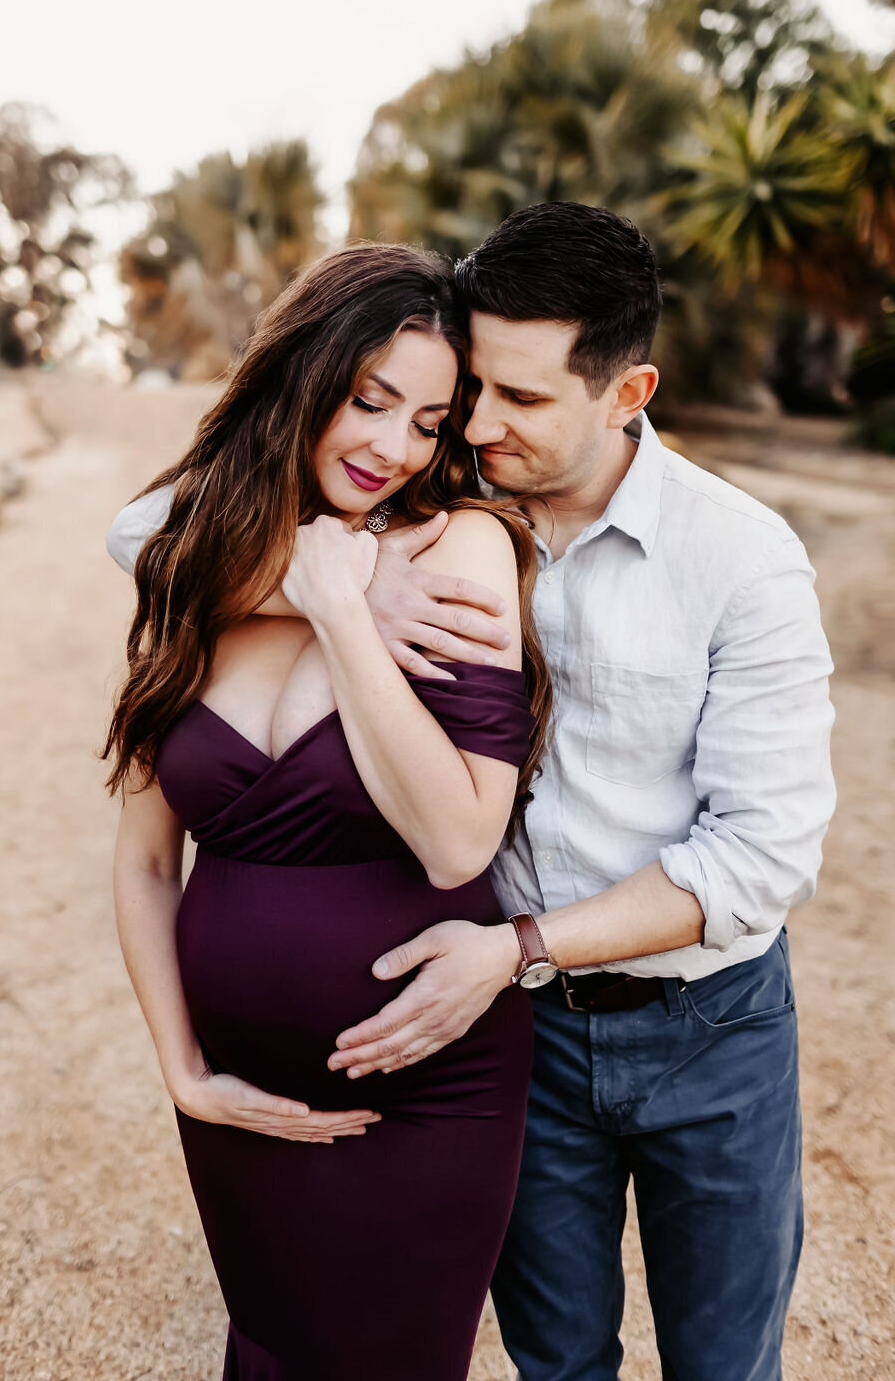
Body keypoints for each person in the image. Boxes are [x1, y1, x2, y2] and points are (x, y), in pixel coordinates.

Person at [109, 204, 836, 1381]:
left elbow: (759, 859)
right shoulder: (434, 496)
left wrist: (519, 947)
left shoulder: (738, 560)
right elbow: (148, 528)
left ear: (627, 391)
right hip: (523, 1028)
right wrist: (324, 596)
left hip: (702, 1026)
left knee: (721, 1360)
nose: (480, 427)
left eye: (523, 401)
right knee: (554, 1362)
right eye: (471, 394)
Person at [103, 242, 554, 1381]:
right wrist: (183, 1070)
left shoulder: (459, 548)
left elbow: (457, 838)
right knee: (267, 1351)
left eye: (427, 423)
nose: (392, 449)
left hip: (424, 1091)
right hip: (238, 1103)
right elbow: (150, 862)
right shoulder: (198, 571)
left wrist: (345, 615)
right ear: (305, 378)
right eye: (369, 402)